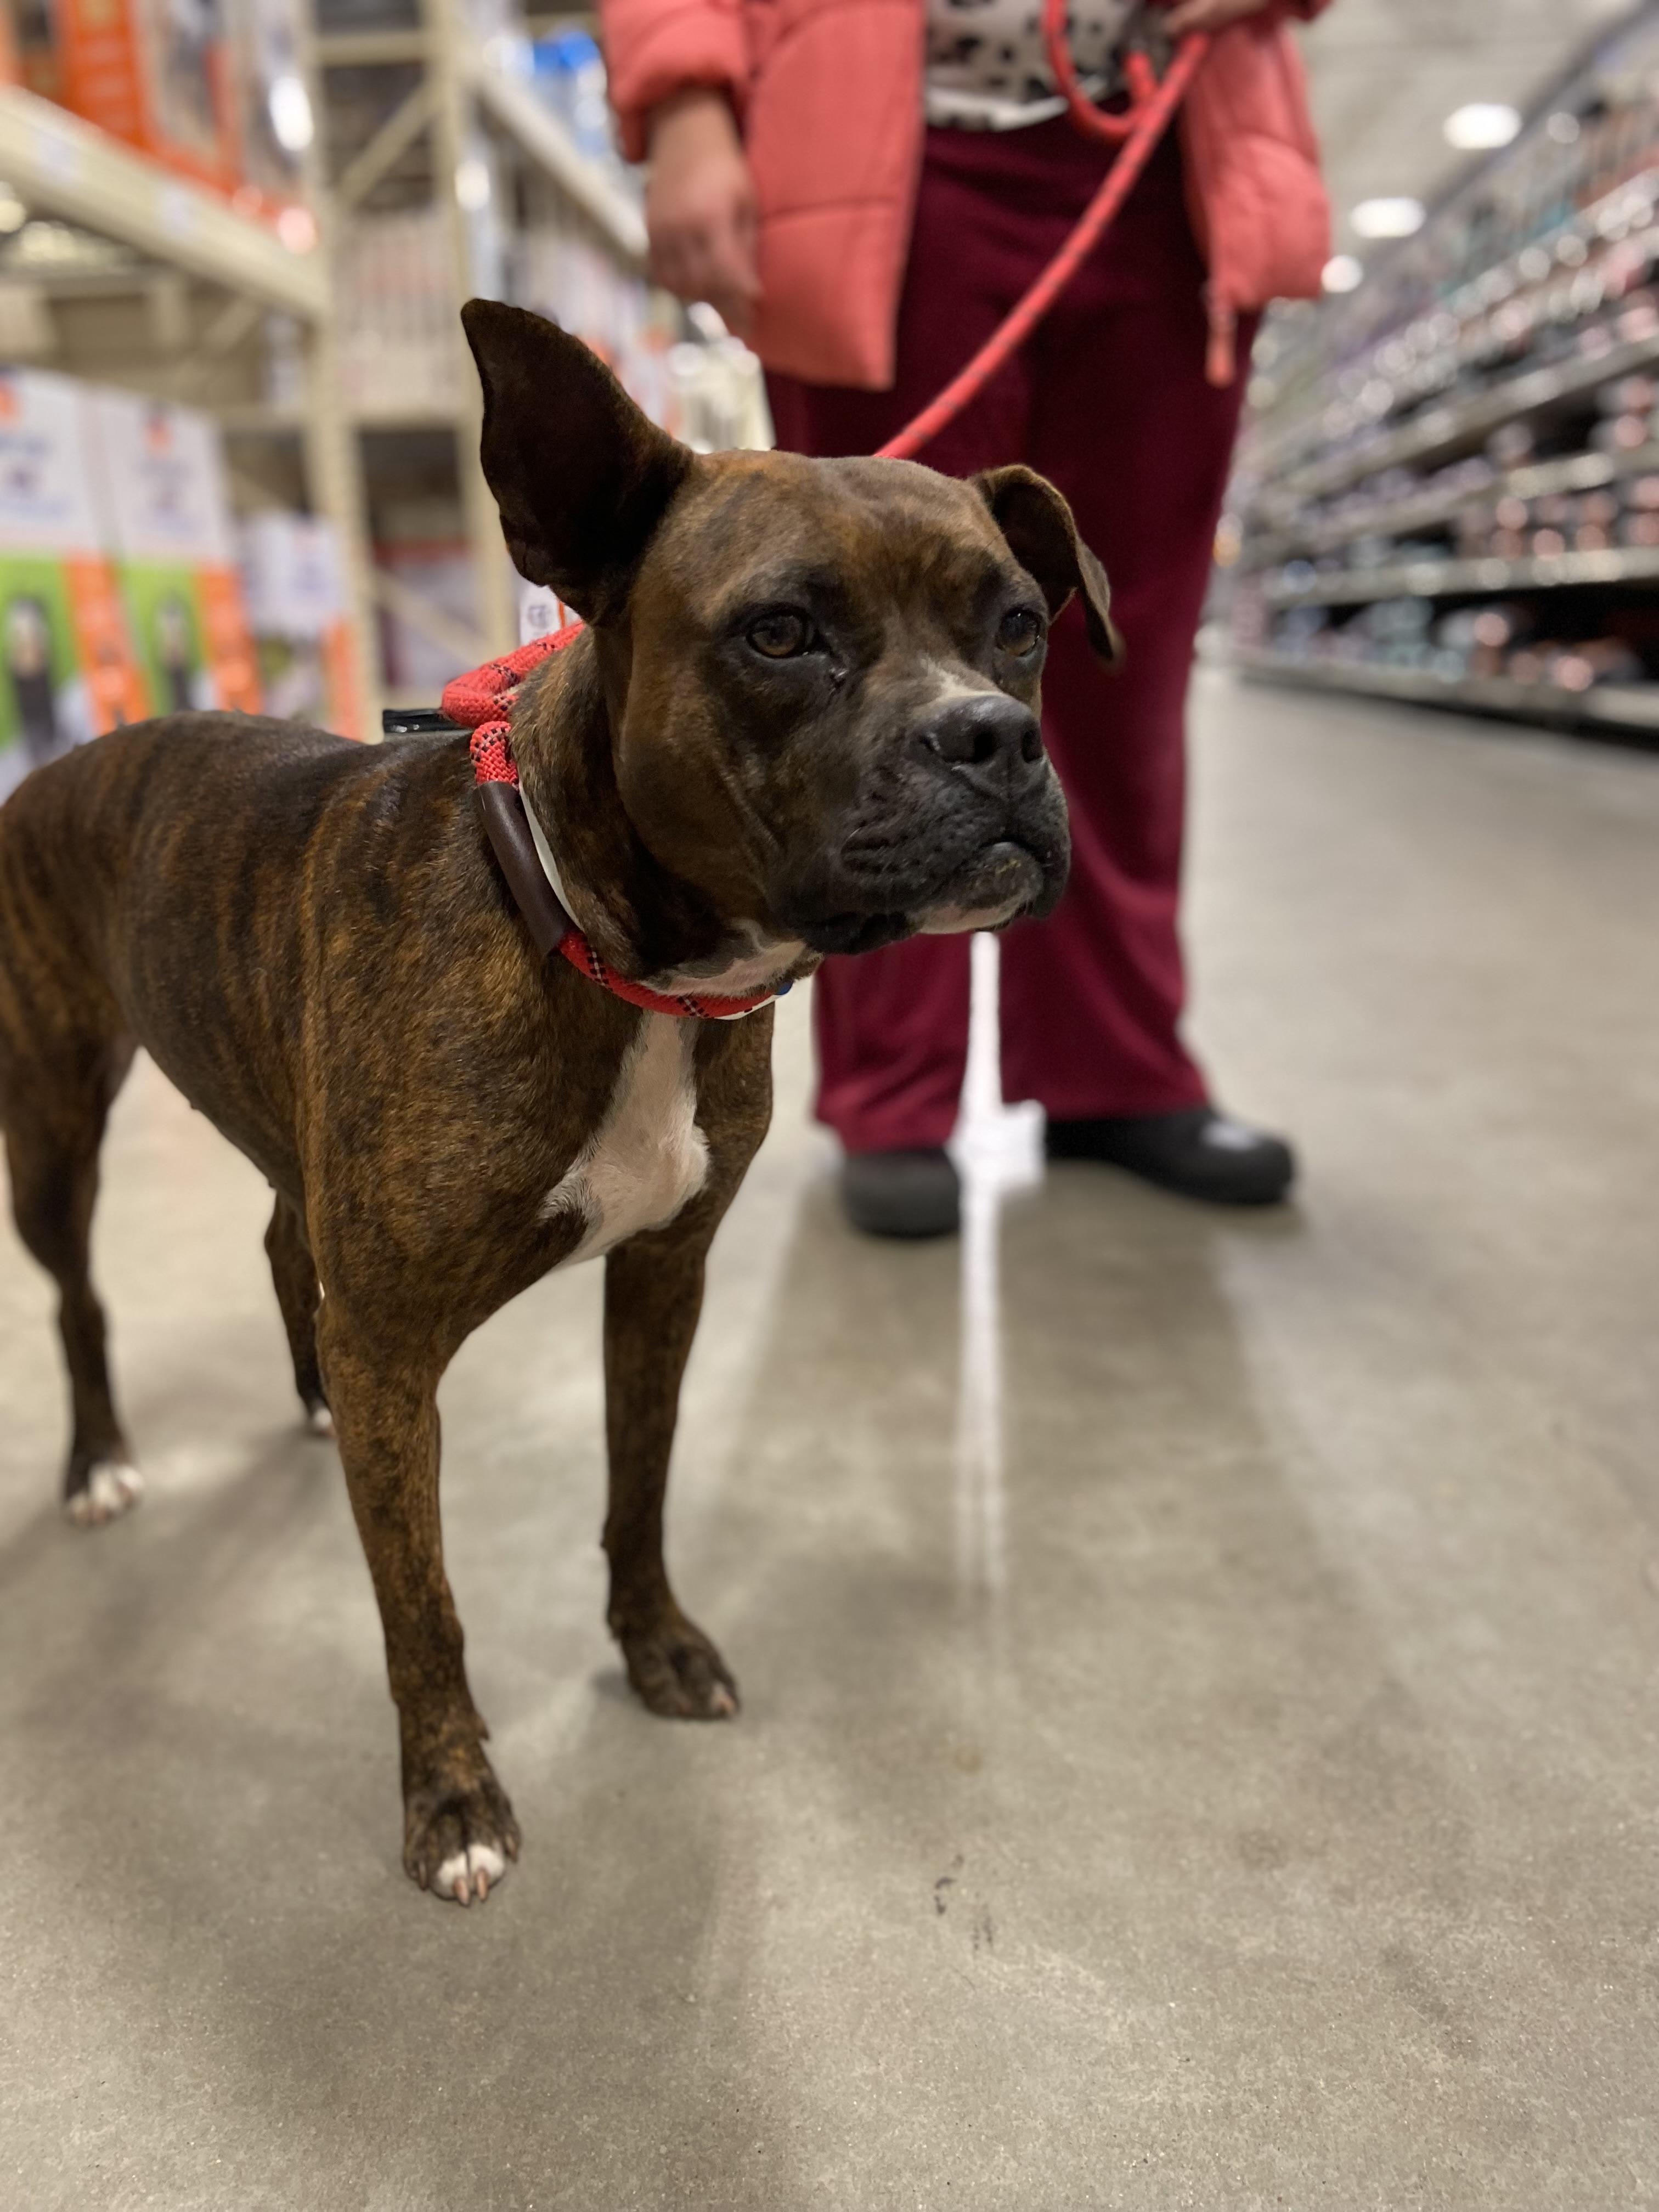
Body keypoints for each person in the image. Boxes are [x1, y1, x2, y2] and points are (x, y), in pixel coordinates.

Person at [600, 0, 1331, 1235]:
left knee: (1122, 661)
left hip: (1172, 153)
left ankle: (1117, 1071)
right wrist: (684, 99)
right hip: (887, 145)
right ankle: (896, 1092)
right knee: (859, 657)